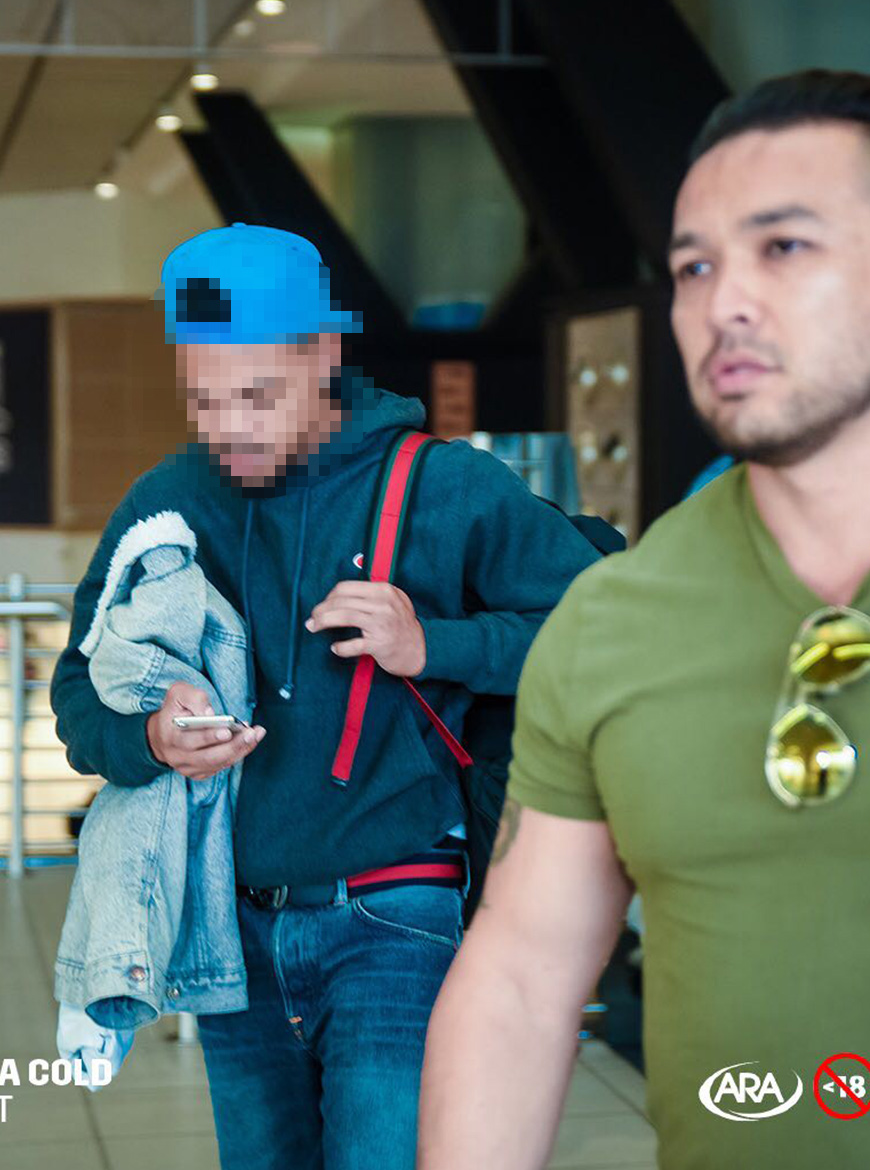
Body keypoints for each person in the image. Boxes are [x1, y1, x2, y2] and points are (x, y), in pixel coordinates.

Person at [417, 69, 870, 1170]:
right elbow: (523, 976)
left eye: (784, 246)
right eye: (695, 266)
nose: (725, 301)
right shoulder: (614, 619)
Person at [50, 222, 600, 1170]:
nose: (229, 428)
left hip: (398, 916)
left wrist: (435, 643)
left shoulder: (445, 489)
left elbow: (600, 635)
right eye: (203, 399)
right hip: (230, 930)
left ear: (323, 357)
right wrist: (148, 739)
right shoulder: (167, 502)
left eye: (258, 396)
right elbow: (74, 690)